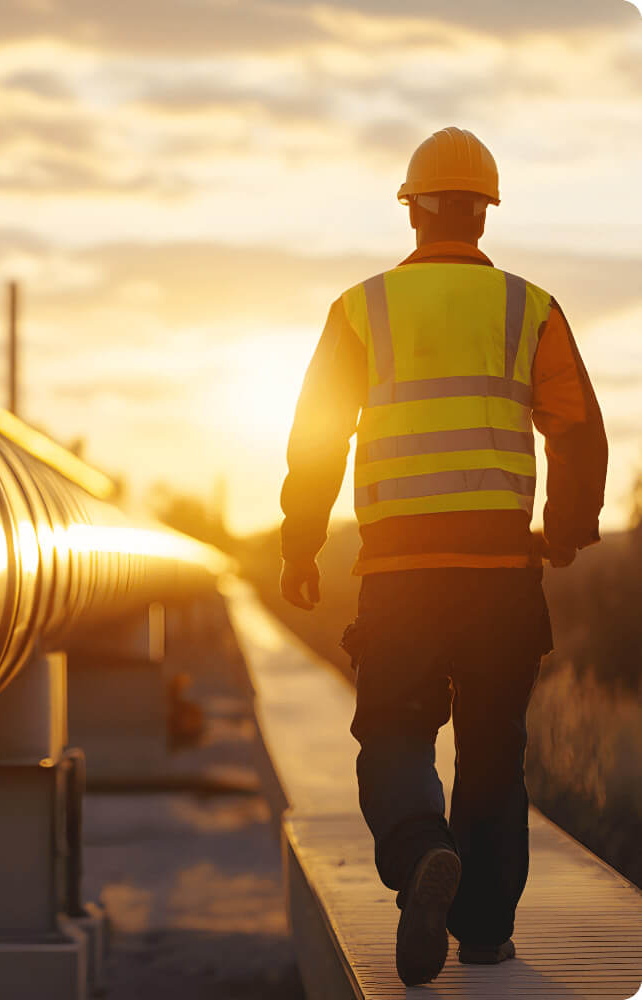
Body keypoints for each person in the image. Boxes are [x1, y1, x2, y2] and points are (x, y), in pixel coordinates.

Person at [277, 126, 607, 986]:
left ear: (414, 210)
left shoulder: (361, 308)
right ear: (484, 215)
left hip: (397, 577)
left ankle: (422, 848)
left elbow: (316, 441)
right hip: (502, 576)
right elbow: (577, 429)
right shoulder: (530, 308)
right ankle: (487, 935)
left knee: (392, 730)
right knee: (494, 750)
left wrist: (300, 544)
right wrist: (568, 529)